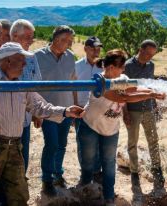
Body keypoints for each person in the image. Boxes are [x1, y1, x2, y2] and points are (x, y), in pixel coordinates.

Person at [0, 42, 84, 206]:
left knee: (19, 193)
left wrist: (65, 111)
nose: (24, 64)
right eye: (21, 59)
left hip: (15, 146)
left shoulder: (22, 84)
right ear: (7, 61)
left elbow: (40, 107)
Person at [77, 49, 166, 206]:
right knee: (89, 161)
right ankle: (85, 187)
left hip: (111, 129)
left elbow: (133, 89)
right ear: (111, 67)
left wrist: (152, 91)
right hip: (90, 126)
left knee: (109, 163)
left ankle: (109, 196)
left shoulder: (123, 78)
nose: (124, 69)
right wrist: (150, 95)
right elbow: (124, 97)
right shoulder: (99, 82)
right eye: (121, 66)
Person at [0, 19, 43, 173]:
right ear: (15, 37)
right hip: (0, 125)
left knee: (20, 162)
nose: (31, 41)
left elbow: (36, 84)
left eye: (32, 37)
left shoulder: (31, 57)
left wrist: (37, 112)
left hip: (23, 120)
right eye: (28, 37)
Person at [34, 25, 76, 196]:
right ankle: (46, 180)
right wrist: (36, 112)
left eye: (70, 41)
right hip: (47, 109)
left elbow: (73, 82)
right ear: (56, 39)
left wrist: (74, 108)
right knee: (51, 144)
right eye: (65, 40)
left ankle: (58, 174)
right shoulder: (37, 56)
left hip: (66, 108)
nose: (68, 44)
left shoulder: (70, 57)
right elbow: (33, 86)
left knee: (62, 144)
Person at [122, 39, 166, 202]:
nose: (148, 57)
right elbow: (123, 91)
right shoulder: (127, 66)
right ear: (140, 49)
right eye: (147, 53)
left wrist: (155, 107)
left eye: (152, 55)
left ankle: (158, 174)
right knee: (132, 144)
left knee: (153, 141)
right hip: (132, 110)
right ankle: (135, 176)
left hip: (148, 109)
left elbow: (150, 87)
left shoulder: (151, 66)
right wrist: (124, 111)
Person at [74, 36, 103, 182]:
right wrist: (74, 106)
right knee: (82, 142)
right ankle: (85, 173)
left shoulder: (104, 66)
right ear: (85, 49)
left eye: (98, 48)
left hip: (99, 110)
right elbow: (72, 88)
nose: (96, 51)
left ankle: (97, 172)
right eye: (93, 48)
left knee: (98, 141)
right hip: (80, 110)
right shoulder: (77, 65)